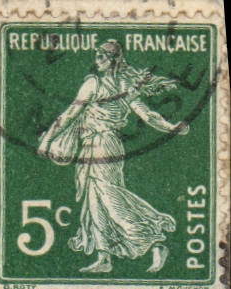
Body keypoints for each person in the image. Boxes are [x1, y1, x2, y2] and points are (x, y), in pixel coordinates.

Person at [36, 39, 189, 273]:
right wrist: (171, 128)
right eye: (96, 56)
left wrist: (47, 140)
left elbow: (69, 115)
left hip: (102, 145)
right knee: (94, 201)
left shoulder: (94, 84)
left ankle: (154, 241)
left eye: (101, 57)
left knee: (109, 197)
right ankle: (104, 257)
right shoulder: (125, 86)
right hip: (101, 146)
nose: (96, 61)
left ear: (114, 60)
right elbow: (148, 115)